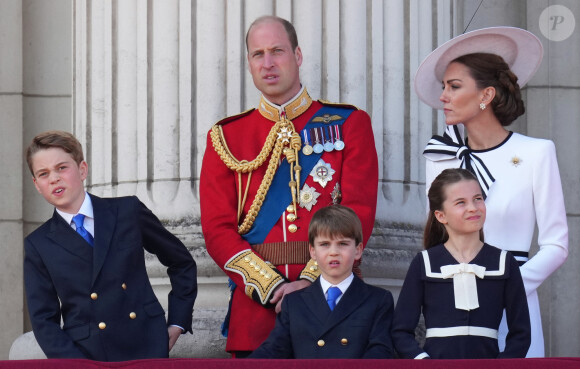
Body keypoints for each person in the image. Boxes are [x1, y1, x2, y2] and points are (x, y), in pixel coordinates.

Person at [200, 15, 378, 356]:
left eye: (277, 51)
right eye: (258, 54)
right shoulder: (225, 136)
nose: (267, 63)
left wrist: (311, 281)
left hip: (333, 302)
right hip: (257, 313)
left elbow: (359, 213)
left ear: (297, 56)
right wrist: (271, 288)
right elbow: (216, 229)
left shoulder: (349, 124)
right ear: (249, 64)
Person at [417, 27, 568, 357]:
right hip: (452, 306)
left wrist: (506, 289)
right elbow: (433, 238)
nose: (443, 96)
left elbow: (556, 245)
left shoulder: (536, 152)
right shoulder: (440, 156)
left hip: (515, 308)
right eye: (444, 87)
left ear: (486, 95)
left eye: (454, 87)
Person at [24, 131, 198, 361]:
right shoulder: (39, 243)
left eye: (61, 168)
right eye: (43, 174)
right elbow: (44, 320)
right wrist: (76, 365)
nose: (54, 178)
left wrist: (177, 322)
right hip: (88, 355)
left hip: (146, 344)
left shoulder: (127, 211)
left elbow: (181, 262)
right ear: (37, 185)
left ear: (82, 169)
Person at [392, 168, 530, 359]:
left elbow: (521, 333)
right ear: (441, 216)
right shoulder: (424, 263)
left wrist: (501, 365)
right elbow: (400, 331)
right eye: (460, 203)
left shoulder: (505, 262)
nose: (473, 207)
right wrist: (423, 362)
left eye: (478, 199)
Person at [249, 205, 393, 359]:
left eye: (343, 244)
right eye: (325, 244)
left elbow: (380, 353)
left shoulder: (378, 300)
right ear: (313, 251)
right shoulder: (294, 303)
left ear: (358, 250)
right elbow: (273, 350)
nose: (333, 252)